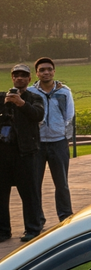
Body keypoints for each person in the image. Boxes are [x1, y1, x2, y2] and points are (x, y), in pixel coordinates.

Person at [0, 64, 45, 241]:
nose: (19, 78)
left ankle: (32, 229)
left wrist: (21, 104)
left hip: (26, 152)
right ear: (12, 77)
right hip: (3, 153)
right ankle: (3, 230)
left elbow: (38, 115)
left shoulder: (34, 97)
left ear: (28, 79)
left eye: (23, 75)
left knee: (29, 192)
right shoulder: (2, 98)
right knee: (1, 193)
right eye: (16, 75)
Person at [28, 57, 73, 223]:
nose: (46, 72)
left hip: (58, 142)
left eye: (49, 69)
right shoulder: (31, 93)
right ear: (37, 73)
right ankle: (37, 219)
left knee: (61, 183)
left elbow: (69, 116)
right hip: (37, 144)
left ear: (54, 71)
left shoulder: (64, 91)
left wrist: (64, 137)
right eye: (42, 70)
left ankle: (65, 217)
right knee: (34, 184)